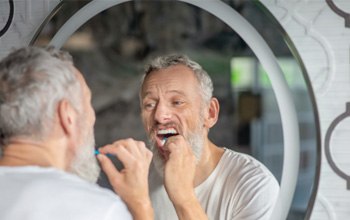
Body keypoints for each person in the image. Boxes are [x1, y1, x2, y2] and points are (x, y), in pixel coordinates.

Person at [0, 46, 154, 220]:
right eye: (87, 103)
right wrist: (141, 205)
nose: (93, 117)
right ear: (68, 116)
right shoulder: (96, 209)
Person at [138, 54, 280, 220]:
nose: (160, 116)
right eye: (149, 104)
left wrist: (184, 198)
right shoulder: (141, 177)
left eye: (177, 102)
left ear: (210, 113)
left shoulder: (255, 184)